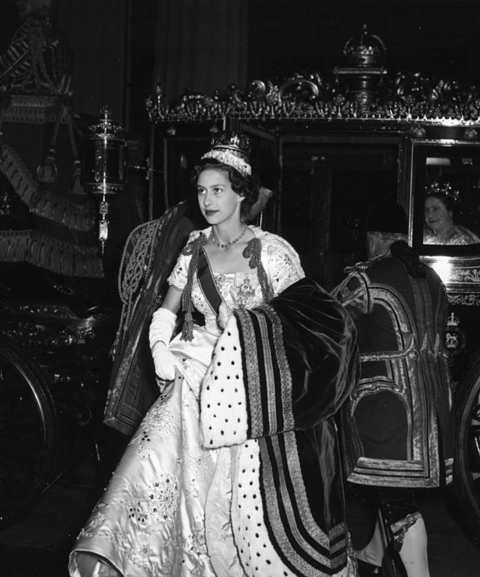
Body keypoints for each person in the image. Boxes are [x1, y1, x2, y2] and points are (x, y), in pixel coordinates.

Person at [69, 131, 358, 577]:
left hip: (249, 397)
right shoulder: (193, 248)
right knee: (156, 478)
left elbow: (309, 325)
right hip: (190, 380)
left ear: (241, 193)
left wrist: (245, 332)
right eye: (202, 190)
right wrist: (160, 346)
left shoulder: (273, 254)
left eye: (218, 189)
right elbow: (166, 310)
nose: (207, 199)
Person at [333, 201, 453, 577]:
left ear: (373, 239)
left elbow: (327, 320)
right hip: (433, 408)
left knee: (396, 499)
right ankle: (372, 552)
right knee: (397, 491)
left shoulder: (365, 278)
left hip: (387, 407)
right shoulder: (431, 277)